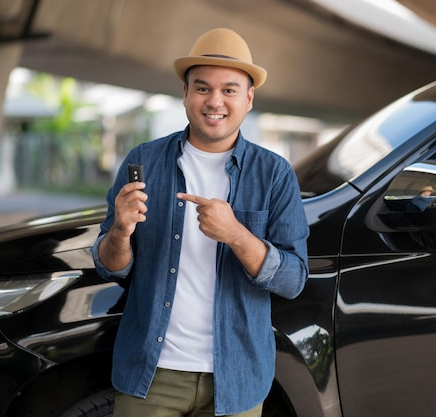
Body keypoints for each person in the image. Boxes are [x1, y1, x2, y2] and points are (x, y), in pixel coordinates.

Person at [91, 28, 309, 417]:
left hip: (236, 376)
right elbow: (110, 267)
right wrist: (120, 232)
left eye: (229, 90)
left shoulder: (274, 174)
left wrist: (236, 235)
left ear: (249, 97)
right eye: (202, 88)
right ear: (185, 93)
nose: (215, 101)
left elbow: (293, 280)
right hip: (151, 373)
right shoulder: (145, 161)